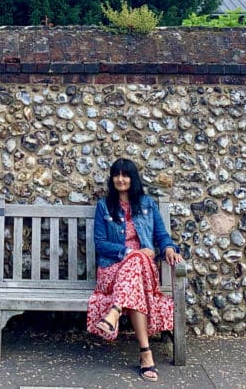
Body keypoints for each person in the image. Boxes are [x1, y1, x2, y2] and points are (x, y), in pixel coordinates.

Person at [87, 158, 184, 382]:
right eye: (117, 175)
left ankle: (115, 311)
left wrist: (169, 248)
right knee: (137, 263)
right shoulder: (104, 206)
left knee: (138, 264)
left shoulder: (147, 204)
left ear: (133, 178)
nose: (121, 179)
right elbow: (100, 243)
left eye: (126, 175)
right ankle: (145, 354)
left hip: (142, 270)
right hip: (113, 269)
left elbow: (161, 235)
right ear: (112, 179)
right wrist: (129, 253)